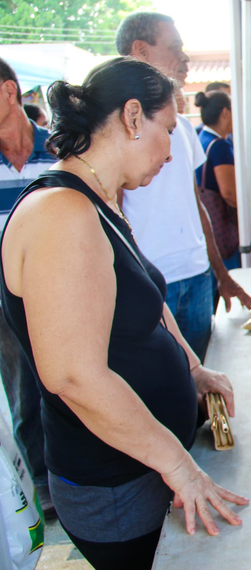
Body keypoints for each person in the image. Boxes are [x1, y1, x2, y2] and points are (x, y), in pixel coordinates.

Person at [0, 57, 249, 569]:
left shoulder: (100, 199)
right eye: (168, 130)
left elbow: (147, 300)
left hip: (143, 466)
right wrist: (179, 467)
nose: (171, 152)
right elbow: (73, 375)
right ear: (133, 116)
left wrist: (193, 368)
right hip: (115, 485)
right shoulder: (60, 214)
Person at [116, 11, 251, 362]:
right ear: (140, 51)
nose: (185, 58)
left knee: (203, 391)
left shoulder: (185, 129)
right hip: (148, 285)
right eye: (175, 47)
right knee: (164, 394)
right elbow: (110, 217)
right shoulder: (112, 130)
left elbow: (195, 204)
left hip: (197, 276)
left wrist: (221, 273)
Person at [0, 57, 57, 515]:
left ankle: (70, 472)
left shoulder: (58, 149)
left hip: (61, 294)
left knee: (68, 383)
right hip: (5, 299)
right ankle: (42, 482)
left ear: (8, 92)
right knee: (23, 392)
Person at [194, 91, 251, 285]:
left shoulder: (203, 138)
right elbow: (230, 194)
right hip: (224, 232)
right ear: (225, 112)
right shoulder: (219, 145)